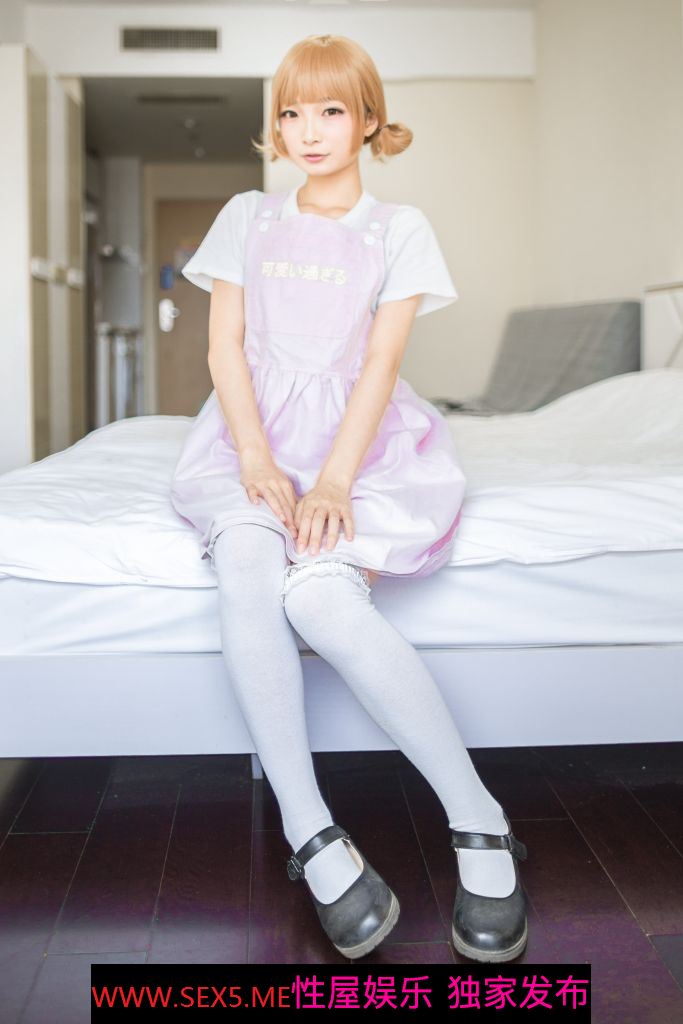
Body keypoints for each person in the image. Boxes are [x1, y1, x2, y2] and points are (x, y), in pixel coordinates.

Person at [170, 33, 528, 963]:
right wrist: (255, 458)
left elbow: (379, 363)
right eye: (290, 111)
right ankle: (310, 832)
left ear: (368, 119)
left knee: (322, 599)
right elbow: (222, 348)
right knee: (248, 559)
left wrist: (332, 479)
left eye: (330, 110)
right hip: (248, 440)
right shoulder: (247, 216)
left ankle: (480, 821)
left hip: (357, 450)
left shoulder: (396, 228)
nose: (308, 130)